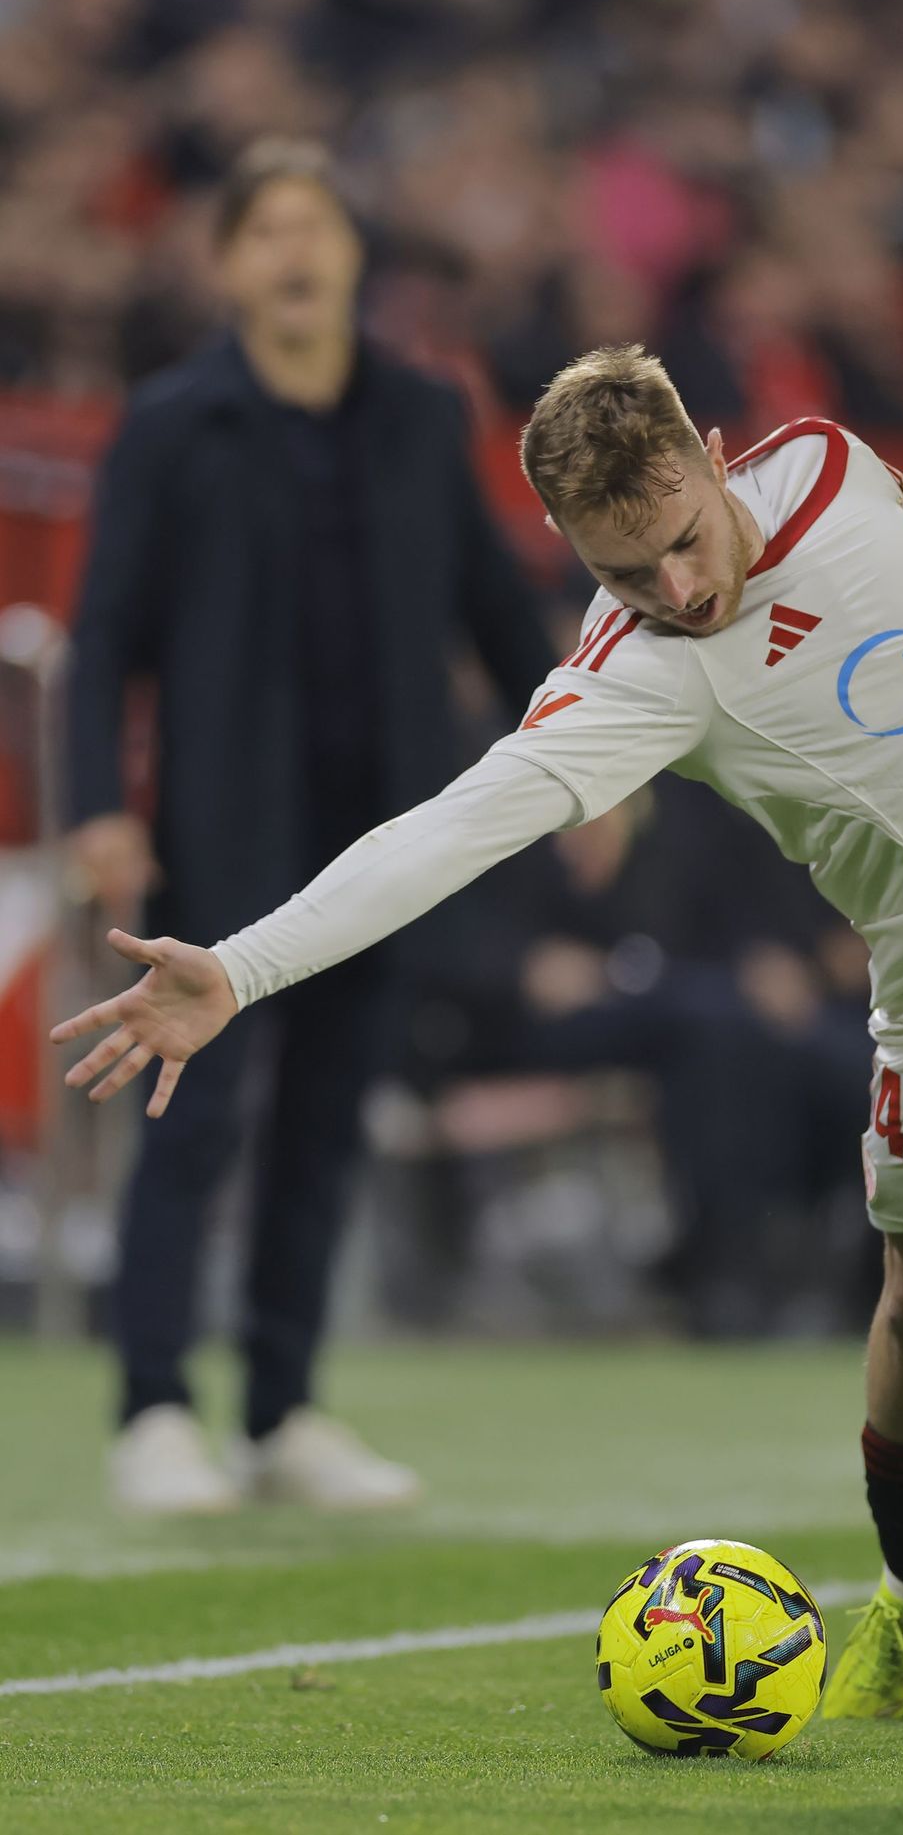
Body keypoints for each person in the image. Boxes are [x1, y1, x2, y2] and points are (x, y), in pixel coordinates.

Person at [57, 345, 903, 1736]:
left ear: (715, 458)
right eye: (621, 574)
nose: (673, 589)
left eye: (678, 542)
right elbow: (445, 832)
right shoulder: (638, 681)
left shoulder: (831, 468)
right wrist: (237, 970)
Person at [66, 137, 555, 1515]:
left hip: (386, 827)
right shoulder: (173, 422)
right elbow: (105, 637)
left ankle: (282, 1411)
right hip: (223, 825)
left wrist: (572, 749)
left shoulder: (416, 411)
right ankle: (155, 1408)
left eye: (317, 226)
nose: (294, 251)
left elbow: (490, 600)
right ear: (226, 264)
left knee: (329, 1116)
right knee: (196, 1105)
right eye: (264, 228)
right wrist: (103, 802)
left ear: (353, 257)